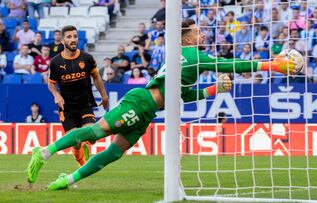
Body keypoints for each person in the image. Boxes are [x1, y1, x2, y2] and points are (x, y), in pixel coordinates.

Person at [27, 19, 298, 189]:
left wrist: (215, 88)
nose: (202, 36)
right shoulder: (192, 54)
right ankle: (45, 152)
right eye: (198, 32)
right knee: (95, 132)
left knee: (113, 153)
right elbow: (230, 64)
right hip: (140, 102)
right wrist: (271, 64)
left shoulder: (185, 59)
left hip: (147, 112)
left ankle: (66, 180)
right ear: (187, 38)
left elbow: (180, 96)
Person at [46, 26, 109, 167]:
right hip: (66, 107)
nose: (73, 39)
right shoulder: (56, 62)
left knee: (91, 137)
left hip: (84, 104)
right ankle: (81, 163)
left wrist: (104, 97)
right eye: (69, 37)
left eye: (75, 36)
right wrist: (57, 95)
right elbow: (51, 84)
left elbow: (96, 77)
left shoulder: (87, 58)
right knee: (76, 142)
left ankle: (86, 147)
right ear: (62, 41)